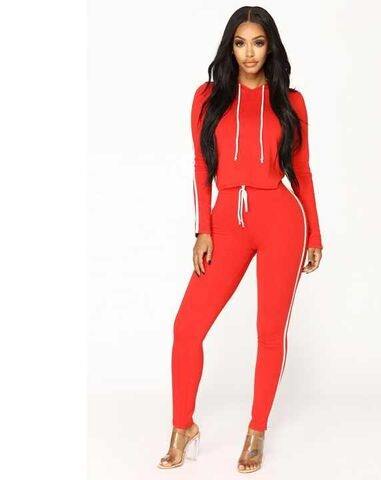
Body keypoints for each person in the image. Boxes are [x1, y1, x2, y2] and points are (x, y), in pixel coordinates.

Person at [157, 6, 323, 473]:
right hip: (227, 219)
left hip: (282, 222)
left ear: (271, 47)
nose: (249, 52)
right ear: (230, 47)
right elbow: (201, 167)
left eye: (258, 42)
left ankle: (256, 431)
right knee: (187, 327)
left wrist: (315, 233)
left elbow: (302, 171)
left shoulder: (291, 101)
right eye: (240, 42)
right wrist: (203, 231)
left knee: (269, 332)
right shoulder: (208, 97)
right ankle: (182, 426)